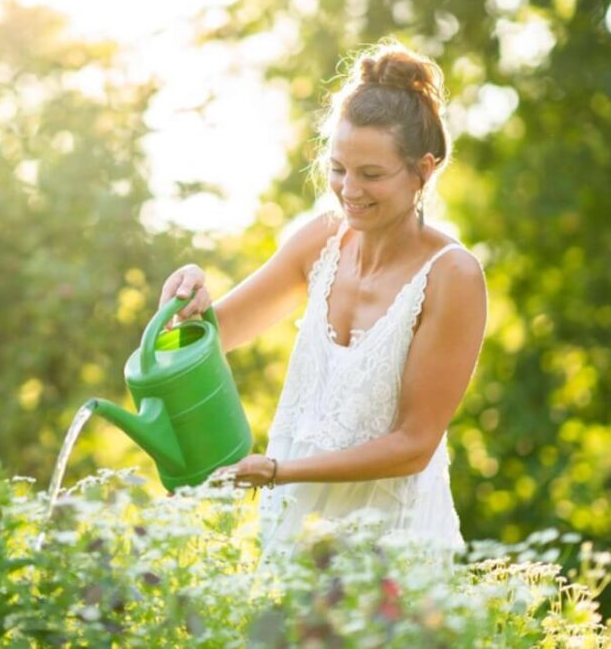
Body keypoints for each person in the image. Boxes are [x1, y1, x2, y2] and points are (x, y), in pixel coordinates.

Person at [158, 40, 487, 556]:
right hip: (292, 534)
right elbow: (205, 343)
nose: (349, 190)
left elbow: (413, 445)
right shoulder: (321, 242)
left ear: (423, 170)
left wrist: (277, 471)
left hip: (387, 548)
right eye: (338, 169)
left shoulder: (452, 276)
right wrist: (188, 292)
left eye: (371, 174)